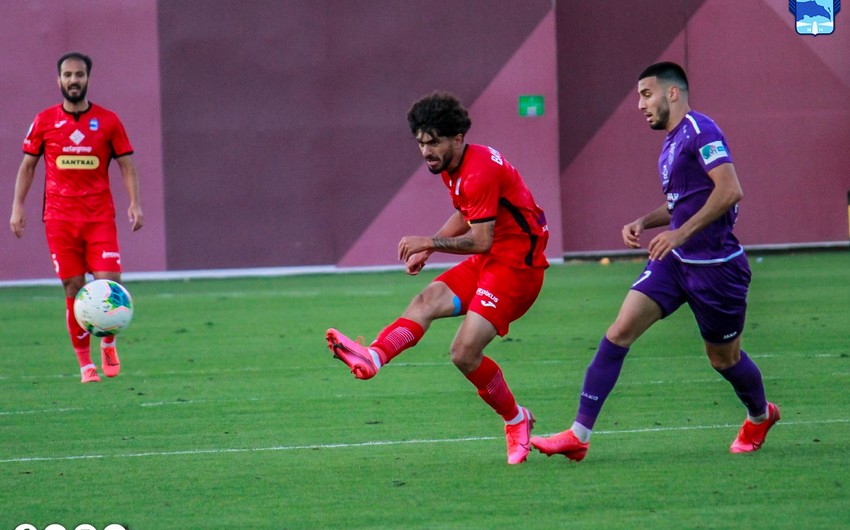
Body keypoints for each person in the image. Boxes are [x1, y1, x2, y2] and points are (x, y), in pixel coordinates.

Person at [531, 62, 779, 460]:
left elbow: (730, 190)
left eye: (647, 95)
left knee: (723, 358)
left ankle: (759, 415)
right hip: (675, 262)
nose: (641, 105)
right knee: (618, 332)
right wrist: (645, 221)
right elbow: (680, 204)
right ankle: (579, 435)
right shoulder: (670, 143)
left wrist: (680, 233)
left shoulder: (701, 131)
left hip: (716, 269)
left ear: (673, 93)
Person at [326, 92, 550, 464]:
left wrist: (429, 240)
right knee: (426, 301)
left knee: (464, 353)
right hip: (493, 259)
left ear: (457, 138)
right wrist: (430, 249)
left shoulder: (478, 171)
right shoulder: (455, 165)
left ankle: (516, 419)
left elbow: (481, 238)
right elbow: (469, 215)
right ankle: (373, 358)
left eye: (433, 142)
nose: (426, 151)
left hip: (517, 269)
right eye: (420, 142)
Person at [10, 51, 143, 384]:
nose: (73, 80)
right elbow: (28, 166)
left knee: (109, 283)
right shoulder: (44, 121)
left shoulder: (108, 121)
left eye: (79, 75)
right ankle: (85, 365)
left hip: (99, 217)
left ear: (88, 79)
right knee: (73, 287)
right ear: (58, 80)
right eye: (67, 75)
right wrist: (17, 206)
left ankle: (108, 342)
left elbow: (126, 164)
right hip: (59, 218)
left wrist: (135, 204)